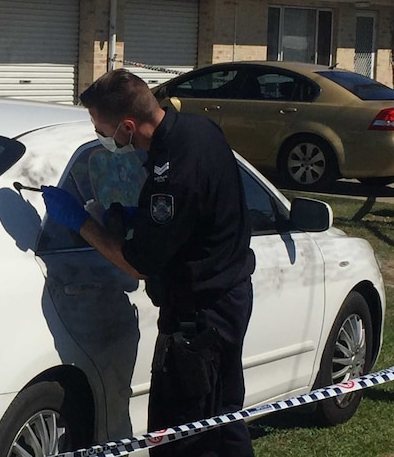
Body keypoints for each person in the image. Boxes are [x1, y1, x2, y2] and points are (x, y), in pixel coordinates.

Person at [42, 68, 255, 457]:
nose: (101, 138)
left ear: (127, 126)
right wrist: (137, 219)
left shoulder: (173, 173)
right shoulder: (198, 129)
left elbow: (139, 264)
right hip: (229, 298)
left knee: (184, 435)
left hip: (200, 320)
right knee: (221, 419)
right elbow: (192, 216)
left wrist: (81, 222)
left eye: (101, 130)